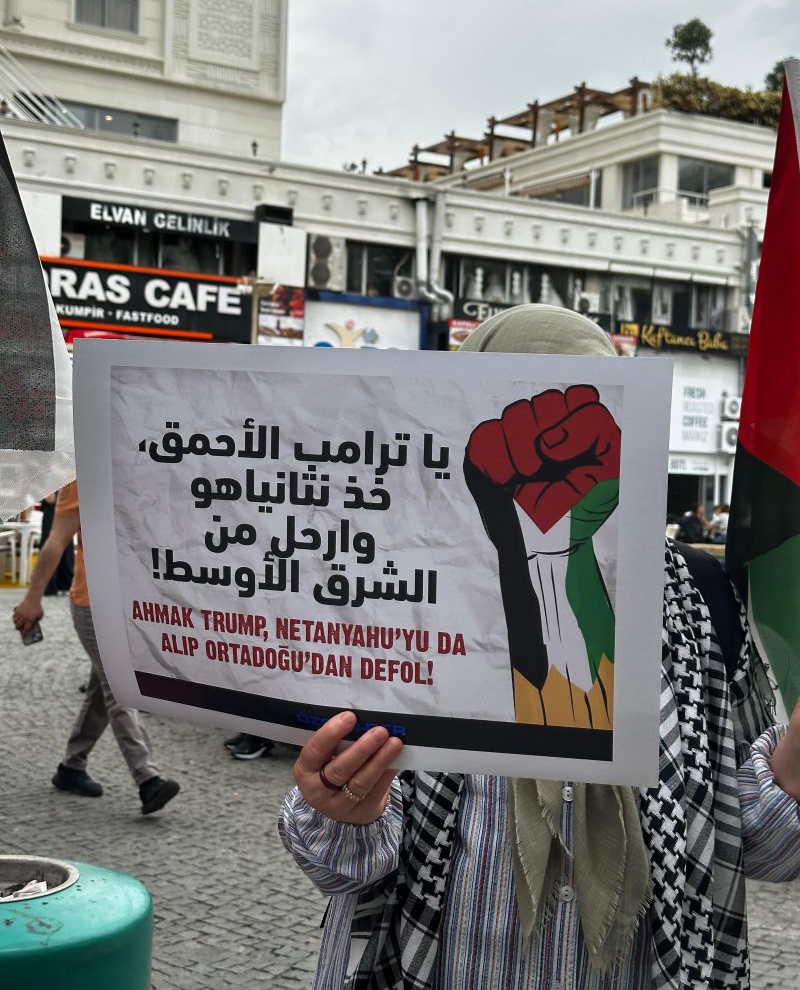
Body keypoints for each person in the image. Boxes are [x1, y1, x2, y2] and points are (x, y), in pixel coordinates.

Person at [279, 304, 800, 990]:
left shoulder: (698, 601)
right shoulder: (399, 588)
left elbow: (759, 845)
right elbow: (346, 863)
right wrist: (346, 806)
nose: (555, 473)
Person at [12, 480, 180, 815]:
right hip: (94, 604)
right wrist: (32, 599)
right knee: (120, 689)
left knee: (101, 692)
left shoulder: (135, 469)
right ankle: (148, 778)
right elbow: (56, 540)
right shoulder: (80, 480)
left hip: (129, 603)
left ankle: (71, 767)